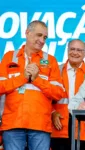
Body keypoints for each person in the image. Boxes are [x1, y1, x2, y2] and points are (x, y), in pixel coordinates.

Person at [0, 20, 65, 150]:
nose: (42, 40)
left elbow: (58, 93)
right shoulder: (9, 57)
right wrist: (22, 78)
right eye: (39, 35)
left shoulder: (50, 60)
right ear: (27, 33)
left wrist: (36, 79)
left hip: (40, 124)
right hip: (13, 123)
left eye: (45, 37)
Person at [51, 39, 85, 150]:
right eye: (72, 49)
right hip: (59, 124)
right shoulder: (56, 70)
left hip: (83, 125)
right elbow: (46, 96)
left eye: (79, 50)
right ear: (67, 51)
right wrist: (52, 112)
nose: (75, 52)